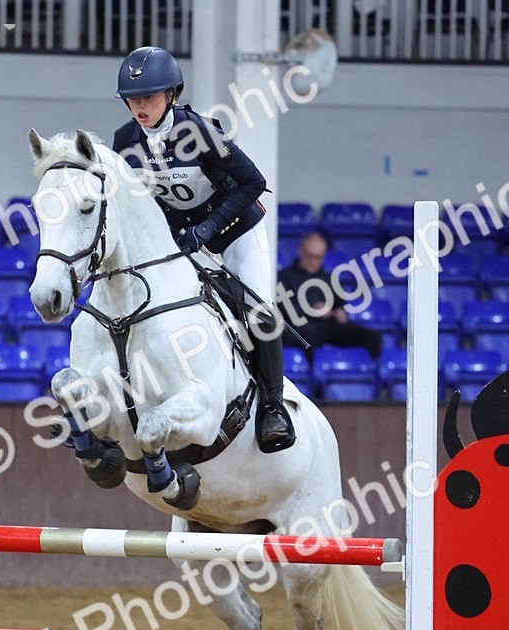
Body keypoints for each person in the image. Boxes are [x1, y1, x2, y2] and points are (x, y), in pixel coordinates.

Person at [112, 45, 295, 453]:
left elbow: (253, 182)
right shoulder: (124, 140)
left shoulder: (200, 132)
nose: (140, 107)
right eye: (133, 99)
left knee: (258, 309)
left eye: (149, 97)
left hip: (235, 229)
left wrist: (210, 227)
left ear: (171, 94)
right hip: (185, 235)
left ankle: (273, 408)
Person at [278, 231, 382, 360]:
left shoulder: (330, 279)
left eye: (318, 257)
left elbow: (340, 305)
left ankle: (364, 371)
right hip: (299, 326)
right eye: (309, 256)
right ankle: (314, 375)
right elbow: (282, 309)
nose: (313, 261)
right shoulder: (284, 277)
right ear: (300, 252)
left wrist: (340, 313)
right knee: (307, 335)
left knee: (373, 337)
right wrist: (311, 309)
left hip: (327, 326)